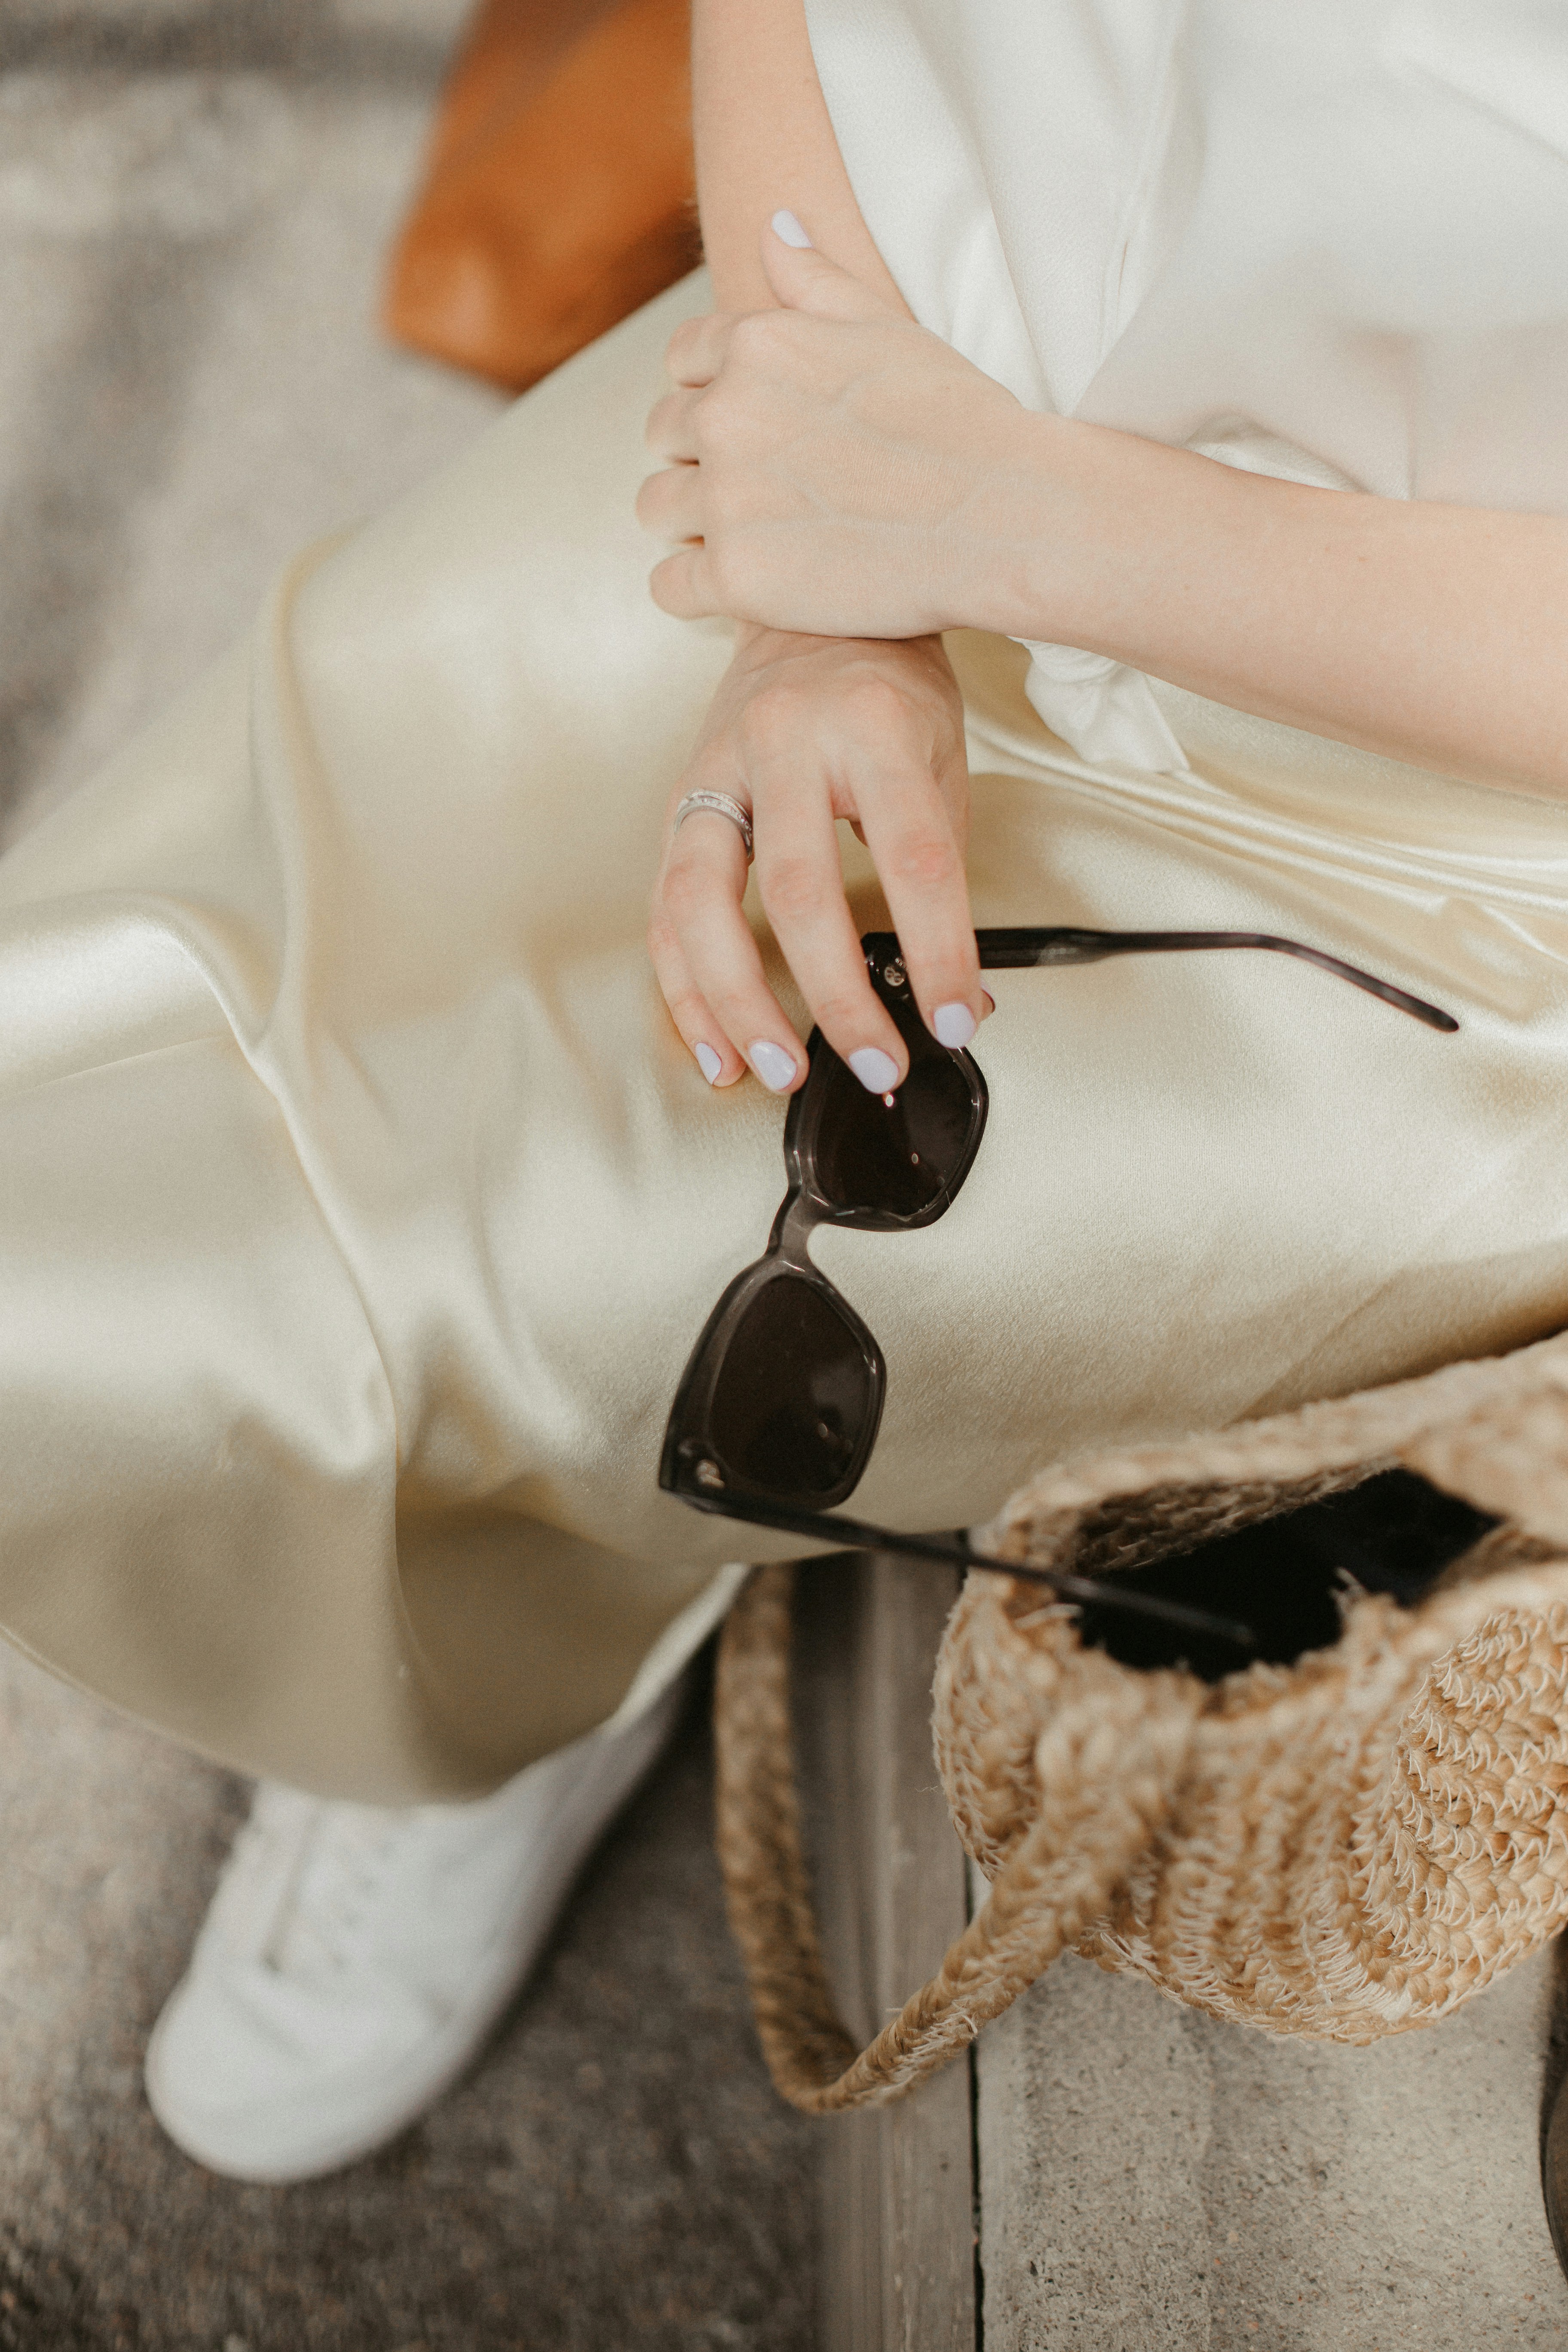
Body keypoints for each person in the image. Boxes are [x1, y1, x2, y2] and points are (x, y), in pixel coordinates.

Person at [5, 0, 1568, 2184]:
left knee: (499, 1281)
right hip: (895, 380)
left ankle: (496, 1643)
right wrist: (824, 602)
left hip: (1432, 824)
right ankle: (489, 1573)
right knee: (179, 1015)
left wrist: (990, 530)